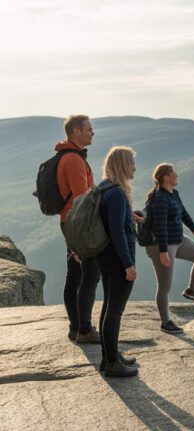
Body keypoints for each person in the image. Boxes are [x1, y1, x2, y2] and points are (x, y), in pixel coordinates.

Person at [144, 163, 194, 334]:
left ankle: (192, 290)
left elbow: (183, 213)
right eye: (174, 172)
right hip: (162, 245)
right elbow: (160, 226)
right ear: (166, 177)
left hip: (178, 240)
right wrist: (163, 251)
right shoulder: (159, 197)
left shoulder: (174, 193)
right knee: (165, 286)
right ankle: (165, 322)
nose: (177, 175)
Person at [56, 115, 101, 344]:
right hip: (78, 224)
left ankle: (75, 327)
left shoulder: (69, 155)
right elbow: (82, 198)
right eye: (89, 129)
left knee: (74, 274)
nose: (92, 133)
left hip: (70, 221)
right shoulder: (73, 159)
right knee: (90, 274)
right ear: (76, 131)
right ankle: (84, 329)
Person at [96, 146, 139, 377]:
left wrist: (129, 216)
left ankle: (108, 357)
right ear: (123, 165)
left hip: (104, 257)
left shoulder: (104, 188)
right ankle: (113, 363)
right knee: (115, 311)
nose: (134, 168)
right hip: (117, 259)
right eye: (132, 163)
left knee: (108, 306)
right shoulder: (118, 194)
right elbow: (118, 232)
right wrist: (128, 265)